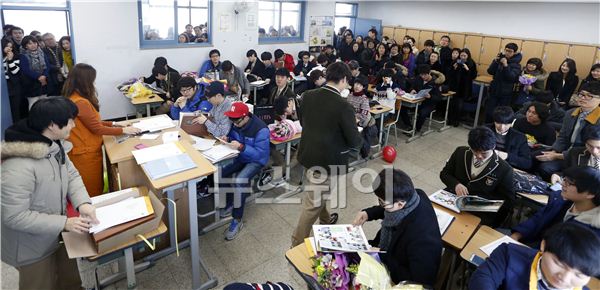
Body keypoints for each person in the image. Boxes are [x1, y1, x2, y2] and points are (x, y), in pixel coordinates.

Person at [1, 97, 99, 290]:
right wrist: (64, 222)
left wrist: (83, 203)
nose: (73, 124)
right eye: (69, 120)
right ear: (52, 125)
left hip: (58, 233)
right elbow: (13, 216)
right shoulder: (17, 166)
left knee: (70, 281)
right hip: (31, 247)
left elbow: (70, 173)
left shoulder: (54, 144)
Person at [291, 62, 362, 246]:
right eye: (347, 82)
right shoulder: (343, 106)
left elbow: (304, 121)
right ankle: (296, 244)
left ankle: (325, 220)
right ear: (344, 79)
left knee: (317, 194)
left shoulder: (308, 95)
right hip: (327, 161)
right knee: (312, 205)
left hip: (308, 153)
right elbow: (354, 140)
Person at [352, 168, 442, 286]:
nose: (380, 205)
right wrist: (369, 213)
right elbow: (387, 207)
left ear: (400, 204)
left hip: (400, 274)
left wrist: (381, 256)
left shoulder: (421, 239)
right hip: (388, 252)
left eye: (382, 202)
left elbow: (418, 282)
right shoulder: (415, 195)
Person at [65, 63, 140, 197]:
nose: (94, 83)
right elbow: (96, 128)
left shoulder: (75, 97)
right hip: (84, 153)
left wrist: (114, 124)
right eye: (92, 80)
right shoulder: (81, 102)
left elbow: (92, 122)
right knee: (92, 191)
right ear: (85, 81)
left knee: (94, 186)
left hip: (85, 149)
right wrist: (124, 131)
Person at [469, 223, 600, 290]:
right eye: (559, 264)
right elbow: (483, 278)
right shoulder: (509, 253)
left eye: (579, 275)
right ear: (543, 246)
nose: (565, 278)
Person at [440, 126, 515, 226]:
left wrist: (477, 202)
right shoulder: (461, 152)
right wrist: (456, 184)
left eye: (484, 153)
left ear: (493, 147)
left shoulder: (504, 169)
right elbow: (444, 174)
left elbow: (508, 202)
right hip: (453, 200)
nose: (479, 156)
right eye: (475, 151)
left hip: (480, 211)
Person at [512, 166, 600, 247]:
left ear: (590, 194)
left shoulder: (592, 227)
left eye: (570, 183)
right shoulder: (559, 199)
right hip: (530, 243)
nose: (563, 184)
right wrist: (516, 235)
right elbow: (537, 219)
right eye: (564, 179)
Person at [219, 102, 270, 240]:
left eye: (237, 120)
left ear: (246, 117)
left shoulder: (261, 129)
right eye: (232, 120)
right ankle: (231, 203)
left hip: (255, 160)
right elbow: (233, 137)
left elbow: (261, 155)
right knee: (220, 173)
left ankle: (237, 219)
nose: (234, 123)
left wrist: (241, 147)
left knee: (239, 181)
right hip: (240, 155)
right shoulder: (236, 123)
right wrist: (228, 138)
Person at [536, 82, 600, 180]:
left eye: (589, 96)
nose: (583, 98)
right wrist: (554, 150)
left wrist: (556, 156)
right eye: (582, 94)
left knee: (546, 168)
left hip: (582, 158)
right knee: (536, 156)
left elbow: (589, 149)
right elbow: (562, 136)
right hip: (565, 151)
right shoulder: (570, 113)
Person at [485, 42, 522, 123]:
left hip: (505, 93)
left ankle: (497, 131)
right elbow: (490, 71)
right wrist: (495, 61)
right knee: (489, 111)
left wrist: (506, 65)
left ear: (515, 52)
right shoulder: (500, 59)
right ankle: (487, 129)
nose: (507, 53)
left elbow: (512, 77)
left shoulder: (516, 65)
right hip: (494, 90)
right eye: (506, 50)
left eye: (510, 51)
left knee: (501, 114)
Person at [400, 64, 443, 134]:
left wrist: (430, 96)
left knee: (423, 113)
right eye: (421, 75)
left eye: (425, 75)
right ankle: (409, 125)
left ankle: (416, 129)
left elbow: (439, 98)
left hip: (428, 104)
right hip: (416, 101)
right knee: (402, 108)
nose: (423, 77)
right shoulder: (418, 78)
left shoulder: (435, 82)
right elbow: (413, 86)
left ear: (429, 73)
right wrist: (412, 89)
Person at [489, 106, 532, 170]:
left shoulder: (520, 138)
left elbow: (527, 163)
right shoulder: (484, 131)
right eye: (498, 123)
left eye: (506, 124)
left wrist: (507, 156)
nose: (502, 127)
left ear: (511, 123)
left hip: (506, 168)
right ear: (494, 121)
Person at [448, 48, 477, 126]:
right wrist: (454, 68)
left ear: (468, 56)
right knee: (452, 104)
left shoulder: (471, 63)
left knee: (459, 105)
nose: (463, 57)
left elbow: (473, 76)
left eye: (464, 56)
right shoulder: (456, 61)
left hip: (464, 87)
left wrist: (467, 69)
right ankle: (450, 120)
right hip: (454, 86)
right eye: (461, 55)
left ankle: (456, 121)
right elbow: (450, 74)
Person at [19, 35, 50, 109]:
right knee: (33, 104)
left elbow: (47, 66)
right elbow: (26, 69)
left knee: (44, 103)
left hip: (43, 82)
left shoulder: (42, 53)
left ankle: (45, 120)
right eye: (30, 43)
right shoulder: (23, 55)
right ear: (25, 46)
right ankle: (34, 120)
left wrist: (44, 76)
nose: (33, 45)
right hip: (31, 83)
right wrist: (39, 76)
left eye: (34, 42)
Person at [2, 38, 26, 121]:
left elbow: (15, 71)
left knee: (15, 109)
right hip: (3, 86)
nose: (9, 49)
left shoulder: (17, 56)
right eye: (7, 47)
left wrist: (10, 60)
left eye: (11, 47)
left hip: (13, 86)